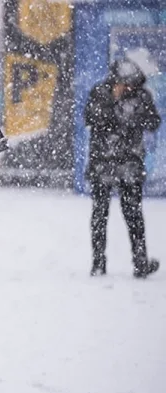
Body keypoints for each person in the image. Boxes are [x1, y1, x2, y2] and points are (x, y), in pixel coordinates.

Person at [84, 59, 161, 278]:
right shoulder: (100, 93)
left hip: (130, 164)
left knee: (134, 215)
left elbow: (153, 122)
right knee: (100, 214)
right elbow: (90, 118)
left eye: (131, 85)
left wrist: (133, 114)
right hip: (103, 163)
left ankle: (140, 263)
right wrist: (114, 103)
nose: (128, 88)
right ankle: (98, 263)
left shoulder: (141, 96)